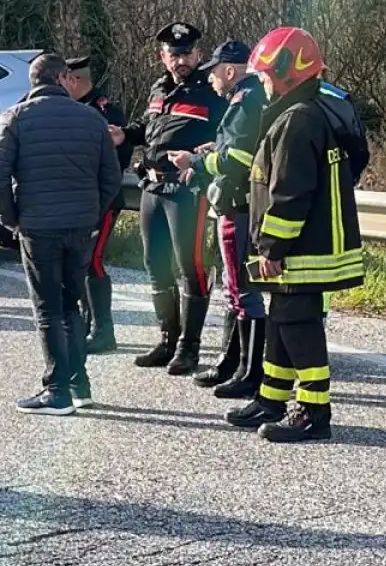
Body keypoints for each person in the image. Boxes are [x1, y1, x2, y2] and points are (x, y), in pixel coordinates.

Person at [235, 26, 367, 443]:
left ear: (289, 71)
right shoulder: (306, 112)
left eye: (265, 74)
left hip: (301, 248)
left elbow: (290, 193)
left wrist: (272, 246)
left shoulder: (298, 120)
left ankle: (313, 412)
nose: (261, 81)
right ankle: (271, 399)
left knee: (299, 324)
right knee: (280, 319)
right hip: (305, 245)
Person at [0, 53, 122, 415]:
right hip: (79, 226)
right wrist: (91, 212)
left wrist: (12, 219)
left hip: (37, 225)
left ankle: (56, 390)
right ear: (62, 78)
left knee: (48, 309)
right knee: (71, 305)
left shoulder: (15, 118)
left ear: (33, 82)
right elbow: (111, 176)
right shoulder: (92, 119)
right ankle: (80, 384)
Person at [117, 22, 226, 374]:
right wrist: (125, 134)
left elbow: (229, 135)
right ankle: (167, 340)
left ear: (198, 54)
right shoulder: (159, 88)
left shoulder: (211, 90)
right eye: (173, 54)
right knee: (155, 265)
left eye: (186, 53)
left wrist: (203, 162)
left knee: (191, 266)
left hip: (186, 189)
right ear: (162, 57)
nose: (181, 60)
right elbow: (151, 129)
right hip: (151, 187)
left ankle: (188, 348)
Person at [166, 40, 265, 399]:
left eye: (213, 72)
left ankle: (249, 373)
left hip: (237, 207)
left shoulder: (245, 101)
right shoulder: (250, 99)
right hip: (237, 205)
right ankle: (232, 363)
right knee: (234, 290)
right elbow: (236, 149)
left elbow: (238, 160)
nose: (210, 80)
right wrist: (213, 150)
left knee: (242, 292)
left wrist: (194, 163)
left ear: (229, 70)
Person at [61, 56, 129, 354]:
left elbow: (118, 159)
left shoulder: (104, 112)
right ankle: (89, 324)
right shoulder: (71, 110)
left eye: (62, 81)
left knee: (93, 261)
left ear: (74, 80)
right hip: (80, 200)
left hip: (103, 200)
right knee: (81, 263)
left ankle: (103, 330)